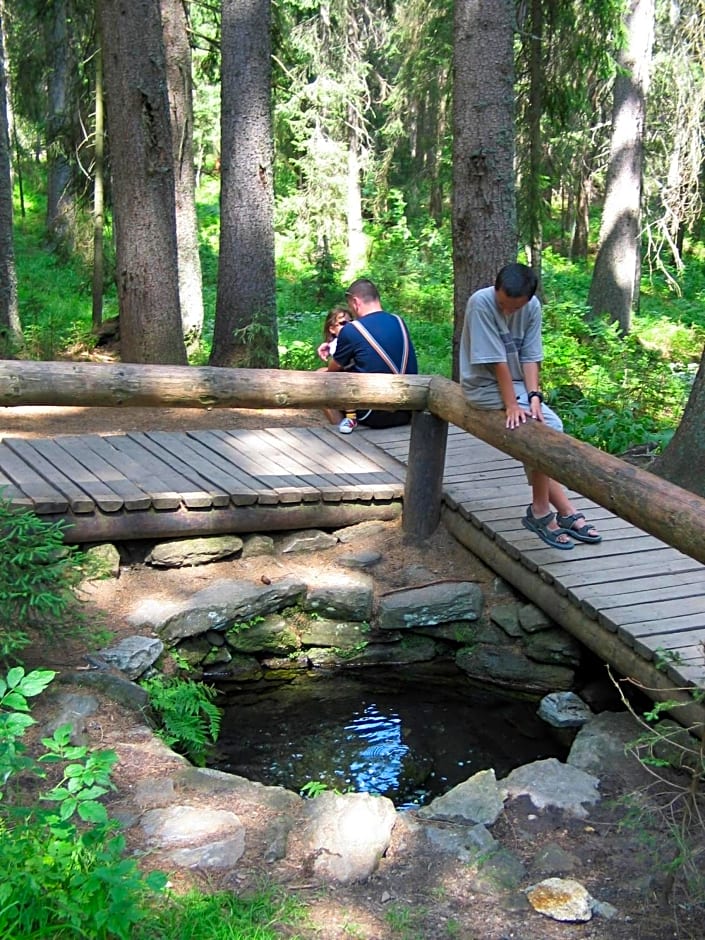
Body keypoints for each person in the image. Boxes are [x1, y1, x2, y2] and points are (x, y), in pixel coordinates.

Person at [459, 262, 601, 549]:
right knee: (545, 429)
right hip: (483, 387)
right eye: (504, 304)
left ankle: (563, 510)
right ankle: (540, 510)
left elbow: (530, 355)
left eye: (516, 307)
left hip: (518, 386)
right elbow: (497, 361)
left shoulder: (532, 306)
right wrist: (512, 405)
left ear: (528, 299)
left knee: (542, 423)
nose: (508, 311)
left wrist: (534, 396)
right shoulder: (481, 303)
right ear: (496, 289)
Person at [327, 278, 418, 433]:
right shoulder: (399, 321)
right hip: (406, 409)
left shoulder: (352, 329)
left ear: (355, 302)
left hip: (373, 414)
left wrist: (330, 354)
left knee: (322, 375)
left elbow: (333, 369)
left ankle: (342, 427)